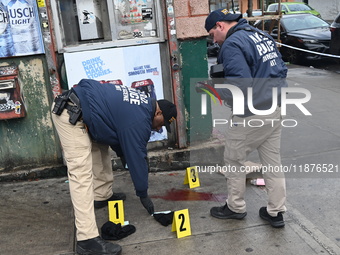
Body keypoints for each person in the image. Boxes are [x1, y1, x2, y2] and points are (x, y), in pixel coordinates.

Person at [51, 79, 177, 255]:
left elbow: (119, 141)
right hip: (71, 114)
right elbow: (137, 157)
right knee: (81, 175)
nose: (159, 129)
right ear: (158, 112)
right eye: (162, 124)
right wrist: (143, 193)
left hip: (85, 112)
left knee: (101, 146)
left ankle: (102, 195)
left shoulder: (141, 105)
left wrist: (126, 158)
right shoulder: (140, 120)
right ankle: (86, 240)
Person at [204, 8, 287, 228]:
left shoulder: (232, 44)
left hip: (252, 112)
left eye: (213, 35)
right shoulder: (260, 34)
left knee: (233, 159)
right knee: (272, 162)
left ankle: (235, 207)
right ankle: (276, 212)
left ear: (220, 26)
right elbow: (280, 68)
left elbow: (240, 85)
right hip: (275, 106)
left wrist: (218, 90)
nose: (214, 41)